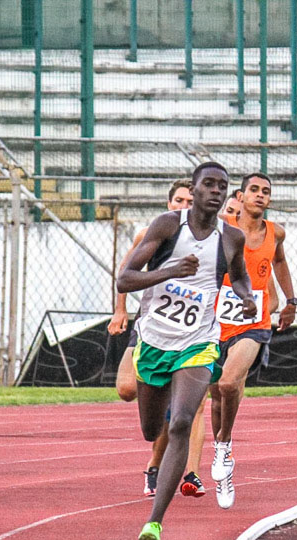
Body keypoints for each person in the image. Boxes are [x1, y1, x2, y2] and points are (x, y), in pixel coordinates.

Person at [118, 162, 255, 540]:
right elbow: (125, 279)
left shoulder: (231, 237)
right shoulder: (166, 226)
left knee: (181, 422)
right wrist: (171, 271)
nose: (215, 191)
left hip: (198, 342)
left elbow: (240, 275)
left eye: (222, 187)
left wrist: (244, 296)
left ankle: (155, 522)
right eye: (207, 184)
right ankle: (157, 448)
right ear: (192, 190)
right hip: (155, 340)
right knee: (152, 429)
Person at [107, 179, 210, 498]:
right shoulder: (151, 234)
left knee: (192, 406)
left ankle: (185, 472)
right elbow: (125, 272)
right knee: (126, 389)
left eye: (189, 201)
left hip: (192, 335)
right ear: (170, 204)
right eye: (178, 200)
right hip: (150, 329)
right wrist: (120, 311)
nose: (183, 205)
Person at [206, 172, 297, 509]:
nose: (260, 196)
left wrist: (291, 301)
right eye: (254, 190)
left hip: (253, 323)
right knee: (217, 395)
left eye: (266, 192)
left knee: (230, 384)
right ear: (240, 197)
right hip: (215, 322)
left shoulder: (276, 233)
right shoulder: (221, 228)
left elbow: (280, 261)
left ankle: (224, 445)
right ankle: (223, 462)